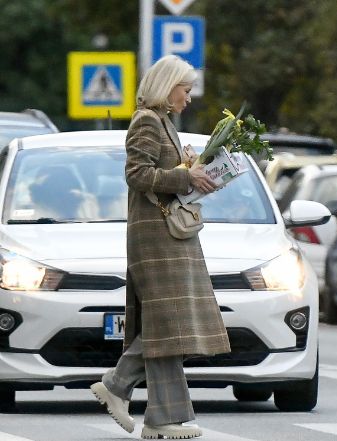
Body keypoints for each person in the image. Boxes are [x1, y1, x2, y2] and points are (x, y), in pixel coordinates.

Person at [90, 55, 229, 440]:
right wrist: (185, 177)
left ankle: (156, 415)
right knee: (169, 323)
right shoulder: (147, 121)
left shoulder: (163, 121)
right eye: (185, 90)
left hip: (168, 233)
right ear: (167, 87)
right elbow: (136, 175)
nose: (188, 98)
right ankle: (122, 388)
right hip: (155, 235)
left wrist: (193, 169)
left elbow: (160, 172)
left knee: (169, 324)